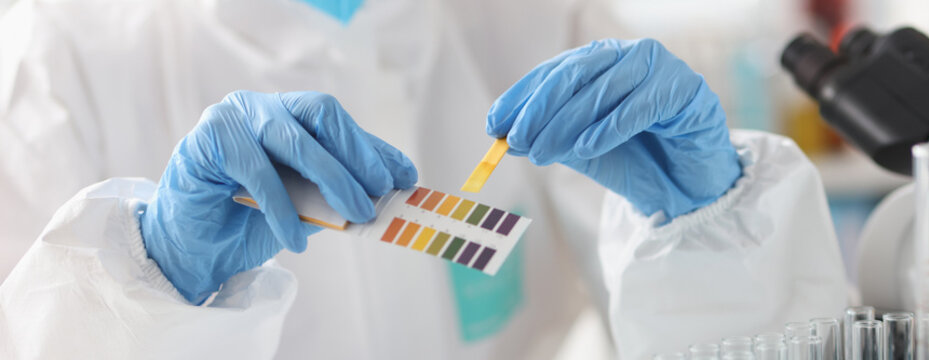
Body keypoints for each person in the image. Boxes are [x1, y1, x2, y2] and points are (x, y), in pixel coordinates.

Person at [0, 0, 847, 358]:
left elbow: (731, 345)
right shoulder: (67, 59)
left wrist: (717, 226)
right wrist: (142, 287)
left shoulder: (531, 18)